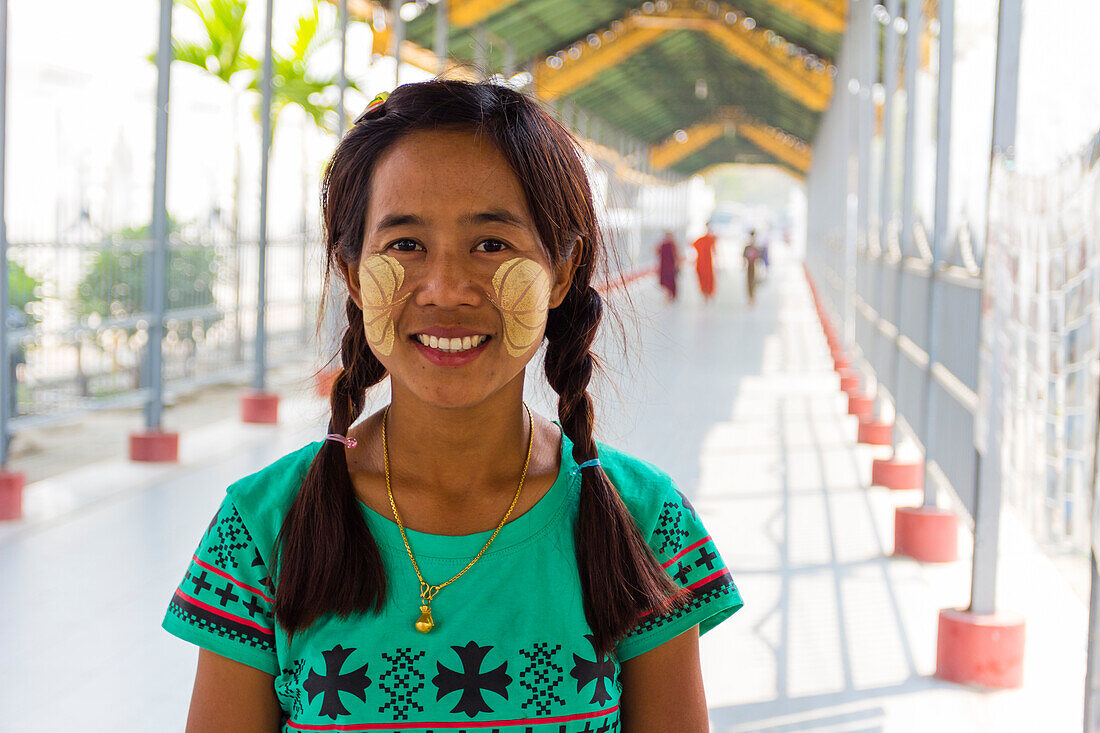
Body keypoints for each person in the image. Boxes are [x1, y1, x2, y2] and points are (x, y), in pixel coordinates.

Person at [163, 80, 743, 732]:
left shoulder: (643, 523)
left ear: (560, 268)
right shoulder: (264, 527)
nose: (445, 289)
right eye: (405, 245)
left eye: (492, 244)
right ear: (354, 274)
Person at [689, 223, 718, 303]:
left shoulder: (710, 239)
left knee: (708, 279)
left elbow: (714, 251)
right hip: (701, 262)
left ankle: (707, 295)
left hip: (707, 263)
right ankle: (705, 295)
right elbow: (693, 246)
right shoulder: (702, 240)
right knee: (703, 278)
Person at [655, 230, 681, 302]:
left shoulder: (671, 245)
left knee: (671, 282)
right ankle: (669, 296)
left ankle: (670, 296)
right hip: (665, 267)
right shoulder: (665, 244)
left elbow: (676, 256)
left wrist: (677, 265)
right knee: (668, 282)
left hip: (670, 267)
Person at [743, 230, 762, 307]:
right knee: (749, 282)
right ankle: (750, 298)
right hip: (749, 267)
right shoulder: (748, 247)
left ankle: (753, 298)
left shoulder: (756, 247)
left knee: (754, 283)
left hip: (754, 267)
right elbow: (744, 256)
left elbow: (759, 258)